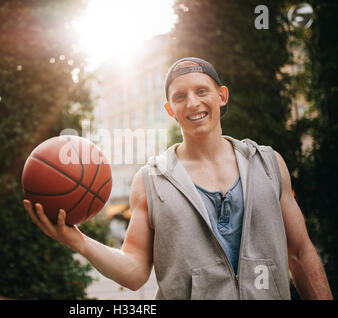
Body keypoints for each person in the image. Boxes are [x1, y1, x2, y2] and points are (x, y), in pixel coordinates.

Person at [23, 57, 333, 300]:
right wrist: (78, 241)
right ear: (170, 109)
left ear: (221, 96)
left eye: (202, 91)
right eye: (180, 96)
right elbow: (134, 273)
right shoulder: (150, 181)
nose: (193, 103)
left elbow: (301, 253)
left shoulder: (268, 163)